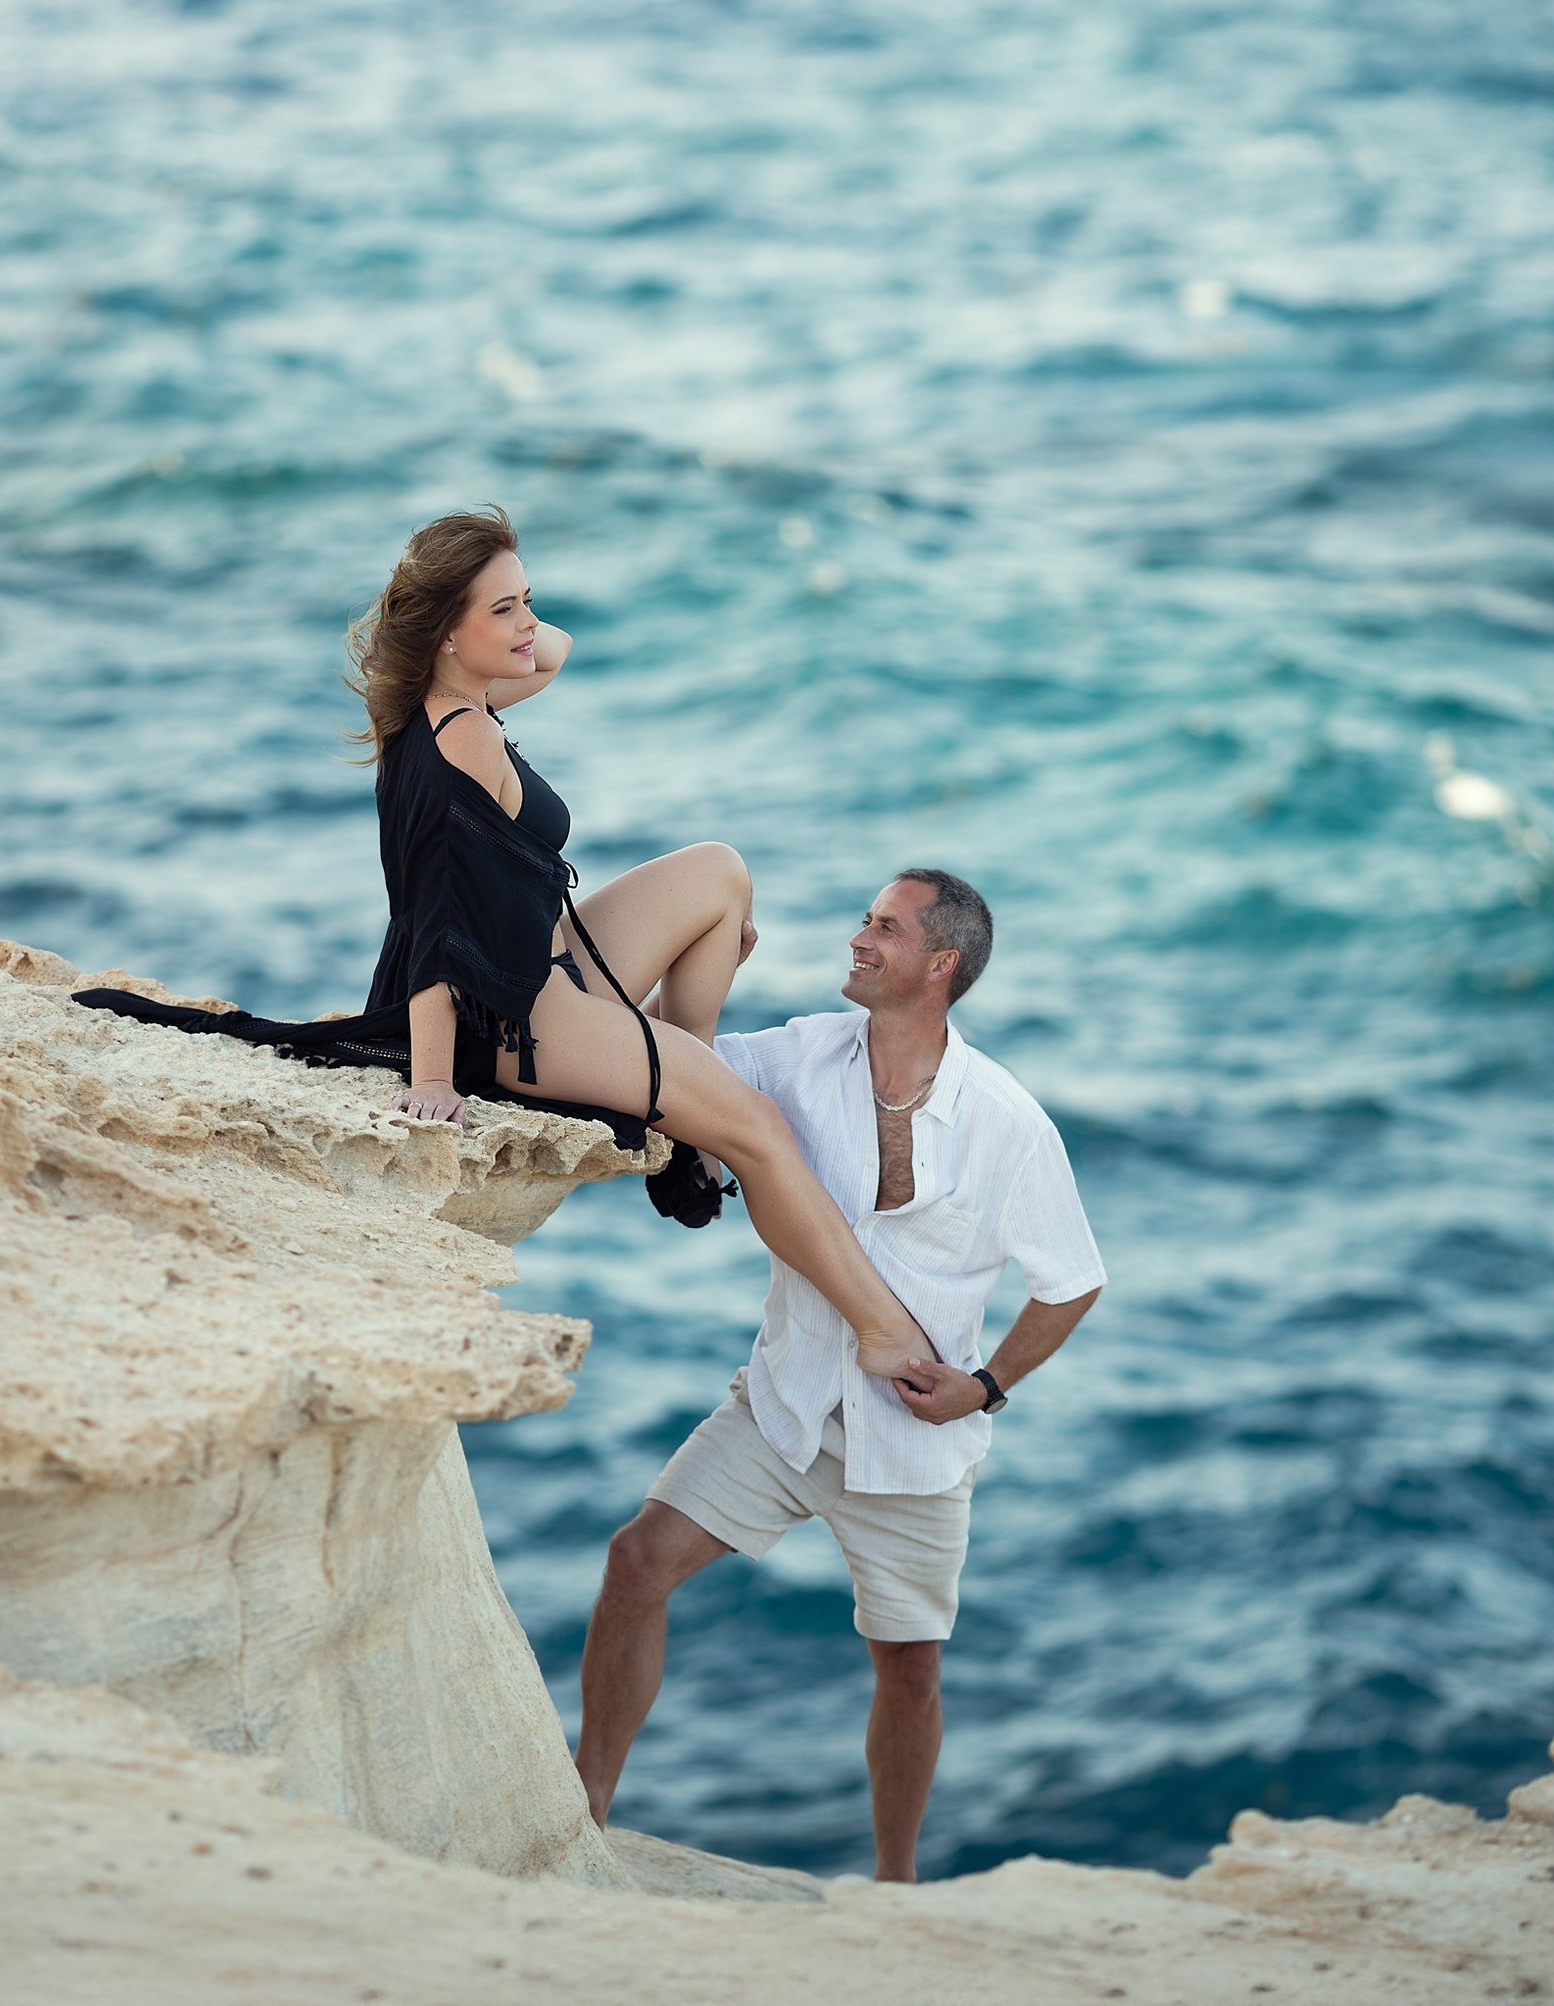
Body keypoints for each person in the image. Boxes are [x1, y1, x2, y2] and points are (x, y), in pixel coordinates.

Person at [75, 507, 937, 1381]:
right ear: (448, 632)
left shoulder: (441, 704)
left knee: (720, 875)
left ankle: (682, 1091)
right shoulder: (469, 739)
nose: (530, 626)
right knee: (763, 1130)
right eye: (504, 611)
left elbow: (553, 652)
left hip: (541, 958)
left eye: (529, 601)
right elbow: (435, 926)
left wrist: (499, 608)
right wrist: (436, 1081)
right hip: (519, 1018)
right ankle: (880, 1327)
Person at [573, 869, 1103, 1884]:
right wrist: (702, 951)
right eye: (864, 918)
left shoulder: (1008, 1121)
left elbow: (1071, 1282)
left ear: (939, 965)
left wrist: (985, 1385)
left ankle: (894, 1887)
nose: (857, 937)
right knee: (636, 1562)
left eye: (884, 927)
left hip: (917, 1437)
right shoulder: (795, 1055)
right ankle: (586, 1810)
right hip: (783, 1400)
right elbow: (649, 1059)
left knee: (909, 1667)